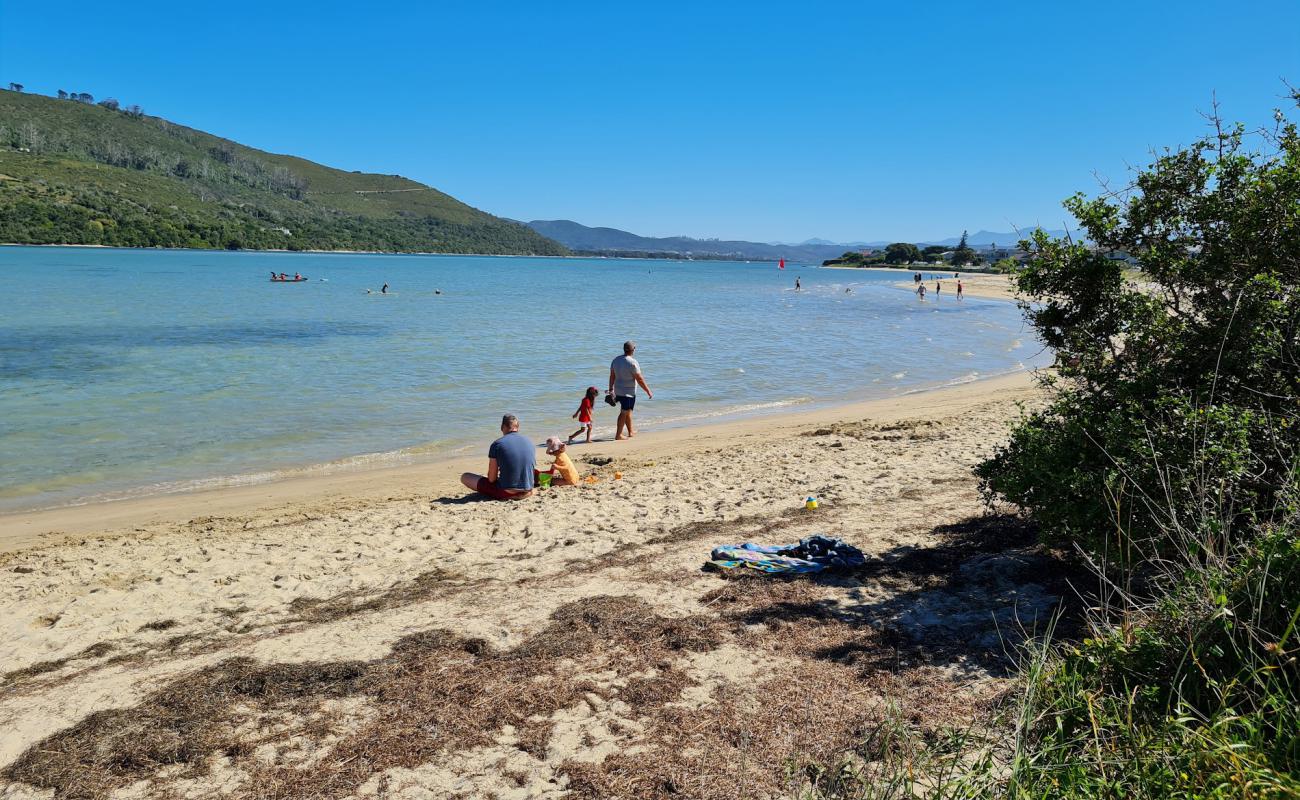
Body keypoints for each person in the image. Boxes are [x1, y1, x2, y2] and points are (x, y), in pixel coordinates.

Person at [459, 414, 536, 500]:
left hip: (507, 492)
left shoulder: (497, 444)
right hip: (528, 489)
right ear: (518, 427)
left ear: (502, 427)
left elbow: (492, 479)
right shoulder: (529, 441)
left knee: (465, 477)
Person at [609, 340, 652, 440]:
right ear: (633, 350)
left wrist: (611, 388)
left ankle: (630, 432)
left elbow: (612, 376)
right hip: (628, 392)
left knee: (628, 411)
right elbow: (639, 378)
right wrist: (647, 390)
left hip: (618, 390)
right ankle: (618, 435)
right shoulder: (632, 362)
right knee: (624, 412)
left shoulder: (616, 360)